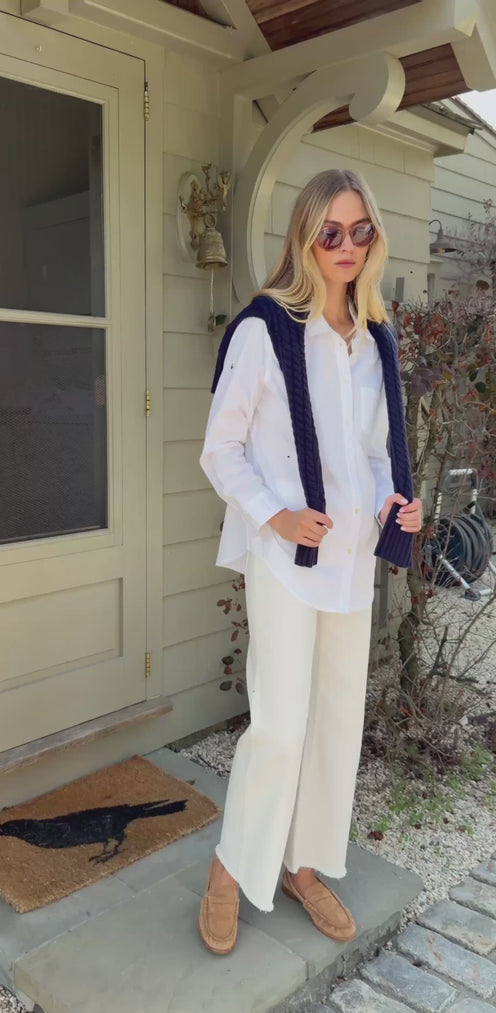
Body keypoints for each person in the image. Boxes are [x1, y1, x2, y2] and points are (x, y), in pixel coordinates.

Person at [197, 168, 422, 955]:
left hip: (352, 563)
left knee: (334, 723)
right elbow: (220, 450)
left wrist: (397, 503)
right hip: (287, 560)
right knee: (281, 725)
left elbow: (377, 455)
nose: (346, 246)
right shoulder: (266, 330)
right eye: (331, 232)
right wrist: (279, 514)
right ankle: (230, 870)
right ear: (305, 237)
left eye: (360, 231)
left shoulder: (374, 338)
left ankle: (303, 865)